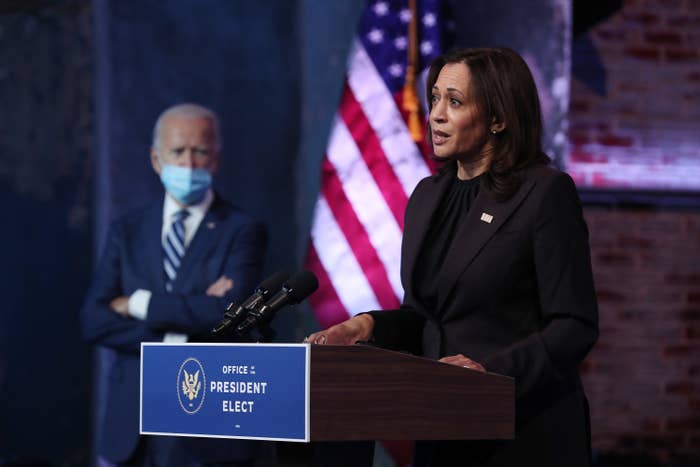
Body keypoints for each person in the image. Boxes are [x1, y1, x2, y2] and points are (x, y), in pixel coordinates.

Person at [307, 47, 598, 467]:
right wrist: (364, 326)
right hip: (441, 431)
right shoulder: (427, 197)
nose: (436, 115)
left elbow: (574, 326)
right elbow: (427, 319)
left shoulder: (545, 194)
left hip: (522, 433)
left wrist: (488, 374)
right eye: (436, 98)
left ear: (498, 118)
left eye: (455, 102)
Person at [81, 103, 267, 466]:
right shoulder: (127, 230)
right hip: (129, 432)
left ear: (215, 159)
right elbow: (93, 320)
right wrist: (179, 334)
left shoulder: (242, 229)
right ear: (156, 159)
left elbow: (229, 314)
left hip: (203, 433)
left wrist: (138, 304)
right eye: (177, 151)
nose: (188, 164)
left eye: (200, 152)